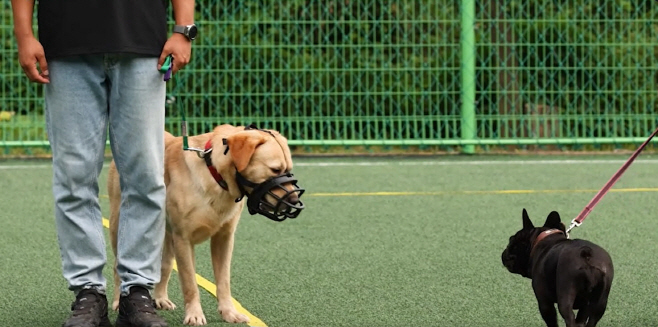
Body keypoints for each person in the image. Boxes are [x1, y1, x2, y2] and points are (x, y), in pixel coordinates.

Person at [11, 0, 197, 326]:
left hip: (143, 46)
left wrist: (184, 28)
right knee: (74, 178)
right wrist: (23, 34)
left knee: (146, 178)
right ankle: (88, 292)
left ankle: (137, 293)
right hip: (65, 46)